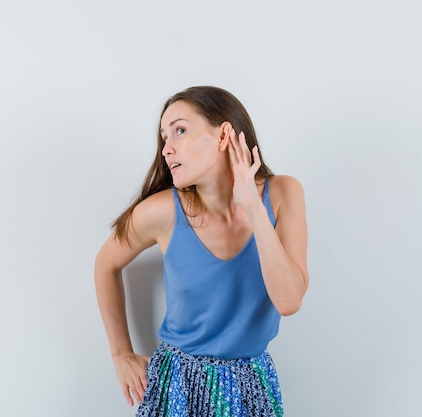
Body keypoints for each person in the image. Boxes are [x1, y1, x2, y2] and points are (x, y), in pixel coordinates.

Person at [94, 86, 308, 416]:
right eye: (164, 138)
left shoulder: (283, 193)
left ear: (224, 135)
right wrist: (121, 354)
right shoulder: (161, 212)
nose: (167, 149)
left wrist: (252, 205)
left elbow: (289, 300)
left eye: (179, 130)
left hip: (252, 384)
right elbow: (105, 265)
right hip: (178, 383)